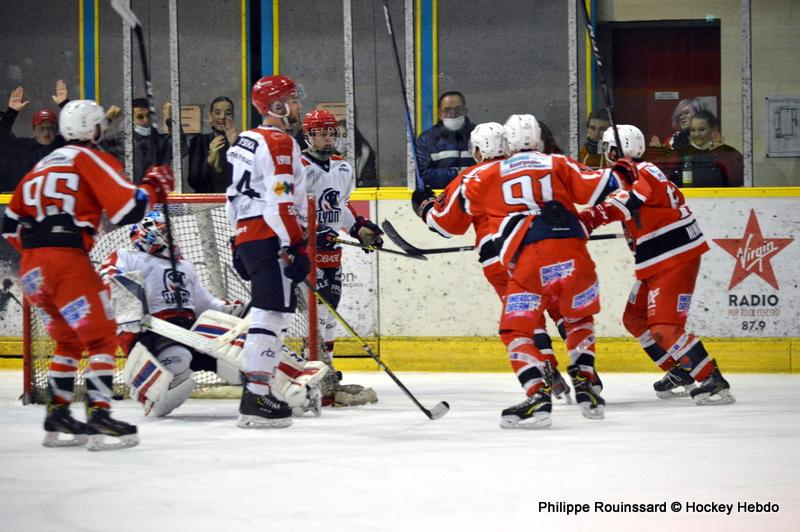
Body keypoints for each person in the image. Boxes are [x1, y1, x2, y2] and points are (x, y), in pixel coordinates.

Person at [414, 117, 612, 428]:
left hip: (516, 257)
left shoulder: (479, 175)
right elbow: (601, 186)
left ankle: (540, 381)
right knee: (571, 314)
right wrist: (628, 167)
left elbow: (444, 224)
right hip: (570, 252)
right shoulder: (556, 163)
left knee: (520, 324)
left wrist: (424, 205)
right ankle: (585, 377)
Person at [1, 99, 175, 450]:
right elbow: (128, 209)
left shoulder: (42, 165)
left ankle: (58, 413)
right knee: (102, 337)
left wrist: (39, 254)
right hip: (65, 262)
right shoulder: (89, 157)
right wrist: (155, 186)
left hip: (32, 270)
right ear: (91, 128)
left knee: (68, 340)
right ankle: (99, 414)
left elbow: (8, 225)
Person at [578, 124, 735, 405]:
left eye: (607, 149)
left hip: (674, 257)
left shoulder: (641, 172)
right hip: (656, 258)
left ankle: (712, 379)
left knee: (665, 327)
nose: (605, 155)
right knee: (634, 318)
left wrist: (589, 219)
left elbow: (625, 201)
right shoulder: (638, 172)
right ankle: (681, 370)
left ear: (614, 151)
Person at [98, 210, 247, 417]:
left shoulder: (185, 265)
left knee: (235, 360)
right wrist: (128, 307)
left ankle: (266, 388)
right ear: (146, 234)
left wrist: (225, 309)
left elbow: (203, 302)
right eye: (163, 232)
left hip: (188, 330)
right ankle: (152, 396)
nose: (170, 237)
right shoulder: (128, 257)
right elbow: (108, 279)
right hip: (151, 331)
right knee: (178, 359)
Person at [226, 75, 310, 429]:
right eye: (292, 99)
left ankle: (257, 392)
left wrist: (236, 240)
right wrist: (296, 243)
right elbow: (281, 203)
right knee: (271, 314)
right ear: (276, 106)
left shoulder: (245, 140)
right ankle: (256, 395)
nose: (298, 104)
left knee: (268, 312)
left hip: (249, 234)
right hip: (270, 234)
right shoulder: (278, 141)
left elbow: (232, 197)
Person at [301, 109, 382, 407]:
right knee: (316, 314)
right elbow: (293, 210)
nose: (325, 138)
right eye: (319, 133)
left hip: (331, 251)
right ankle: (312, 369)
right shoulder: (300, 168)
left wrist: (359, 228)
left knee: (330, 311)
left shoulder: (343, 167)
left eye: (329, 133)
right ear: (308, 136)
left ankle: (326, 368)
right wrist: (314, 231)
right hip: (306, 252)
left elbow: (342, 207)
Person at [0, 81, 69, 190]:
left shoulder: (64, 146)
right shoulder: (24, 147)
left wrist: (65, 105)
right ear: (34, 130)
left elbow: (82, 133)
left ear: (56, 130)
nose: (46, 131)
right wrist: (11, 112)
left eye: (50, 127)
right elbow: (2, 139)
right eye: (42, 127)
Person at [104, 98, 187, 184]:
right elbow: (96, 149)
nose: (146, 120)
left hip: (155, 190)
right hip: (129, 189)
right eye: (140, 117)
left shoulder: (160, 141)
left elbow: (181, 150)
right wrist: (107, 119)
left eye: (149, 115)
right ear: (131, 118)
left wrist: (170, 118)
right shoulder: (120, 140)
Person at [415, 91, 476, 189]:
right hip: (442, 196)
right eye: (447, 110)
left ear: (465, 111)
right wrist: (456, 174)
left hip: (474, 194)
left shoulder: (478, 134)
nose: (453, 114)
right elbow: (420, 174)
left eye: (458, 109)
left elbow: (489, 168)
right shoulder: (427, 139)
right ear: (439, 113)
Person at [675, 110, 743, 187]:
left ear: (713, 129)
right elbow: (671, 180)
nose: (696, 134)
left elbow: (738, 180)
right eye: (693, 130)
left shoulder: (728, 152)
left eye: (701, 130)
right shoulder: (682, 153)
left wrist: (720, 152)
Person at [187, 96, 238, 192]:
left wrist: (234, 146)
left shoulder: (241, 144)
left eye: (228, 113)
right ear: (210, 117)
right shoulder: (198, 142)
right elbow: (194, 181)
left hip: (231, 199)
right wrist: (209, 160)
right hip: (204, 199)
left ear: (233, 117)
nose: (222, 117)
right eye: (217, 113)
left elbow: (244, 179)